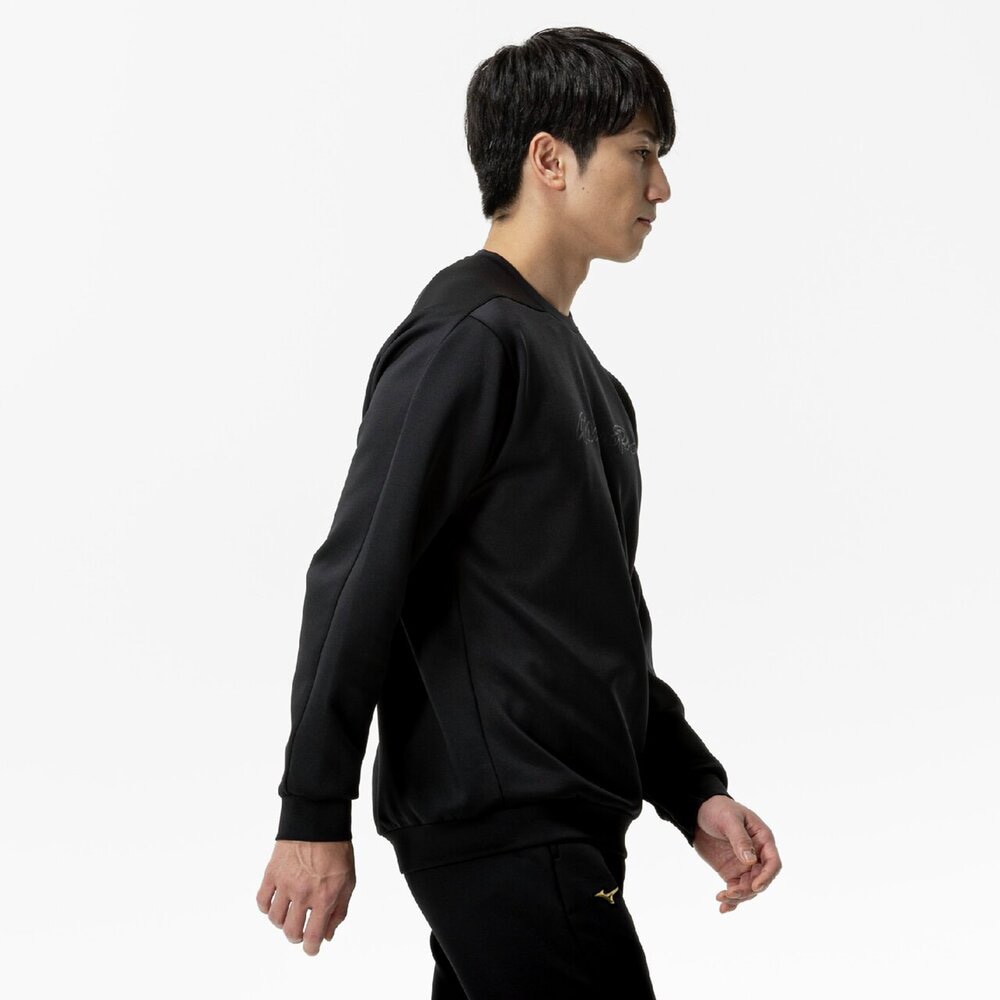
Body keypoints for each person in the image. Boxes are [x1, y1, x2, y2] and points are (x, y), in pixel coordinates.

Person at [255, 25, 781, 999]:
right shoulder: (467, 339)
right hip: (509, 830)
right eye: (641, 153)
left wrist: (691, 789)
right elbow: (360, 572)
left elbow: (590, 627)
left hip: (558, 830)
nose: (661, 188)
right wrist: (311, 809)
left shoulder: (590, 381)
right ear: (550, 159)